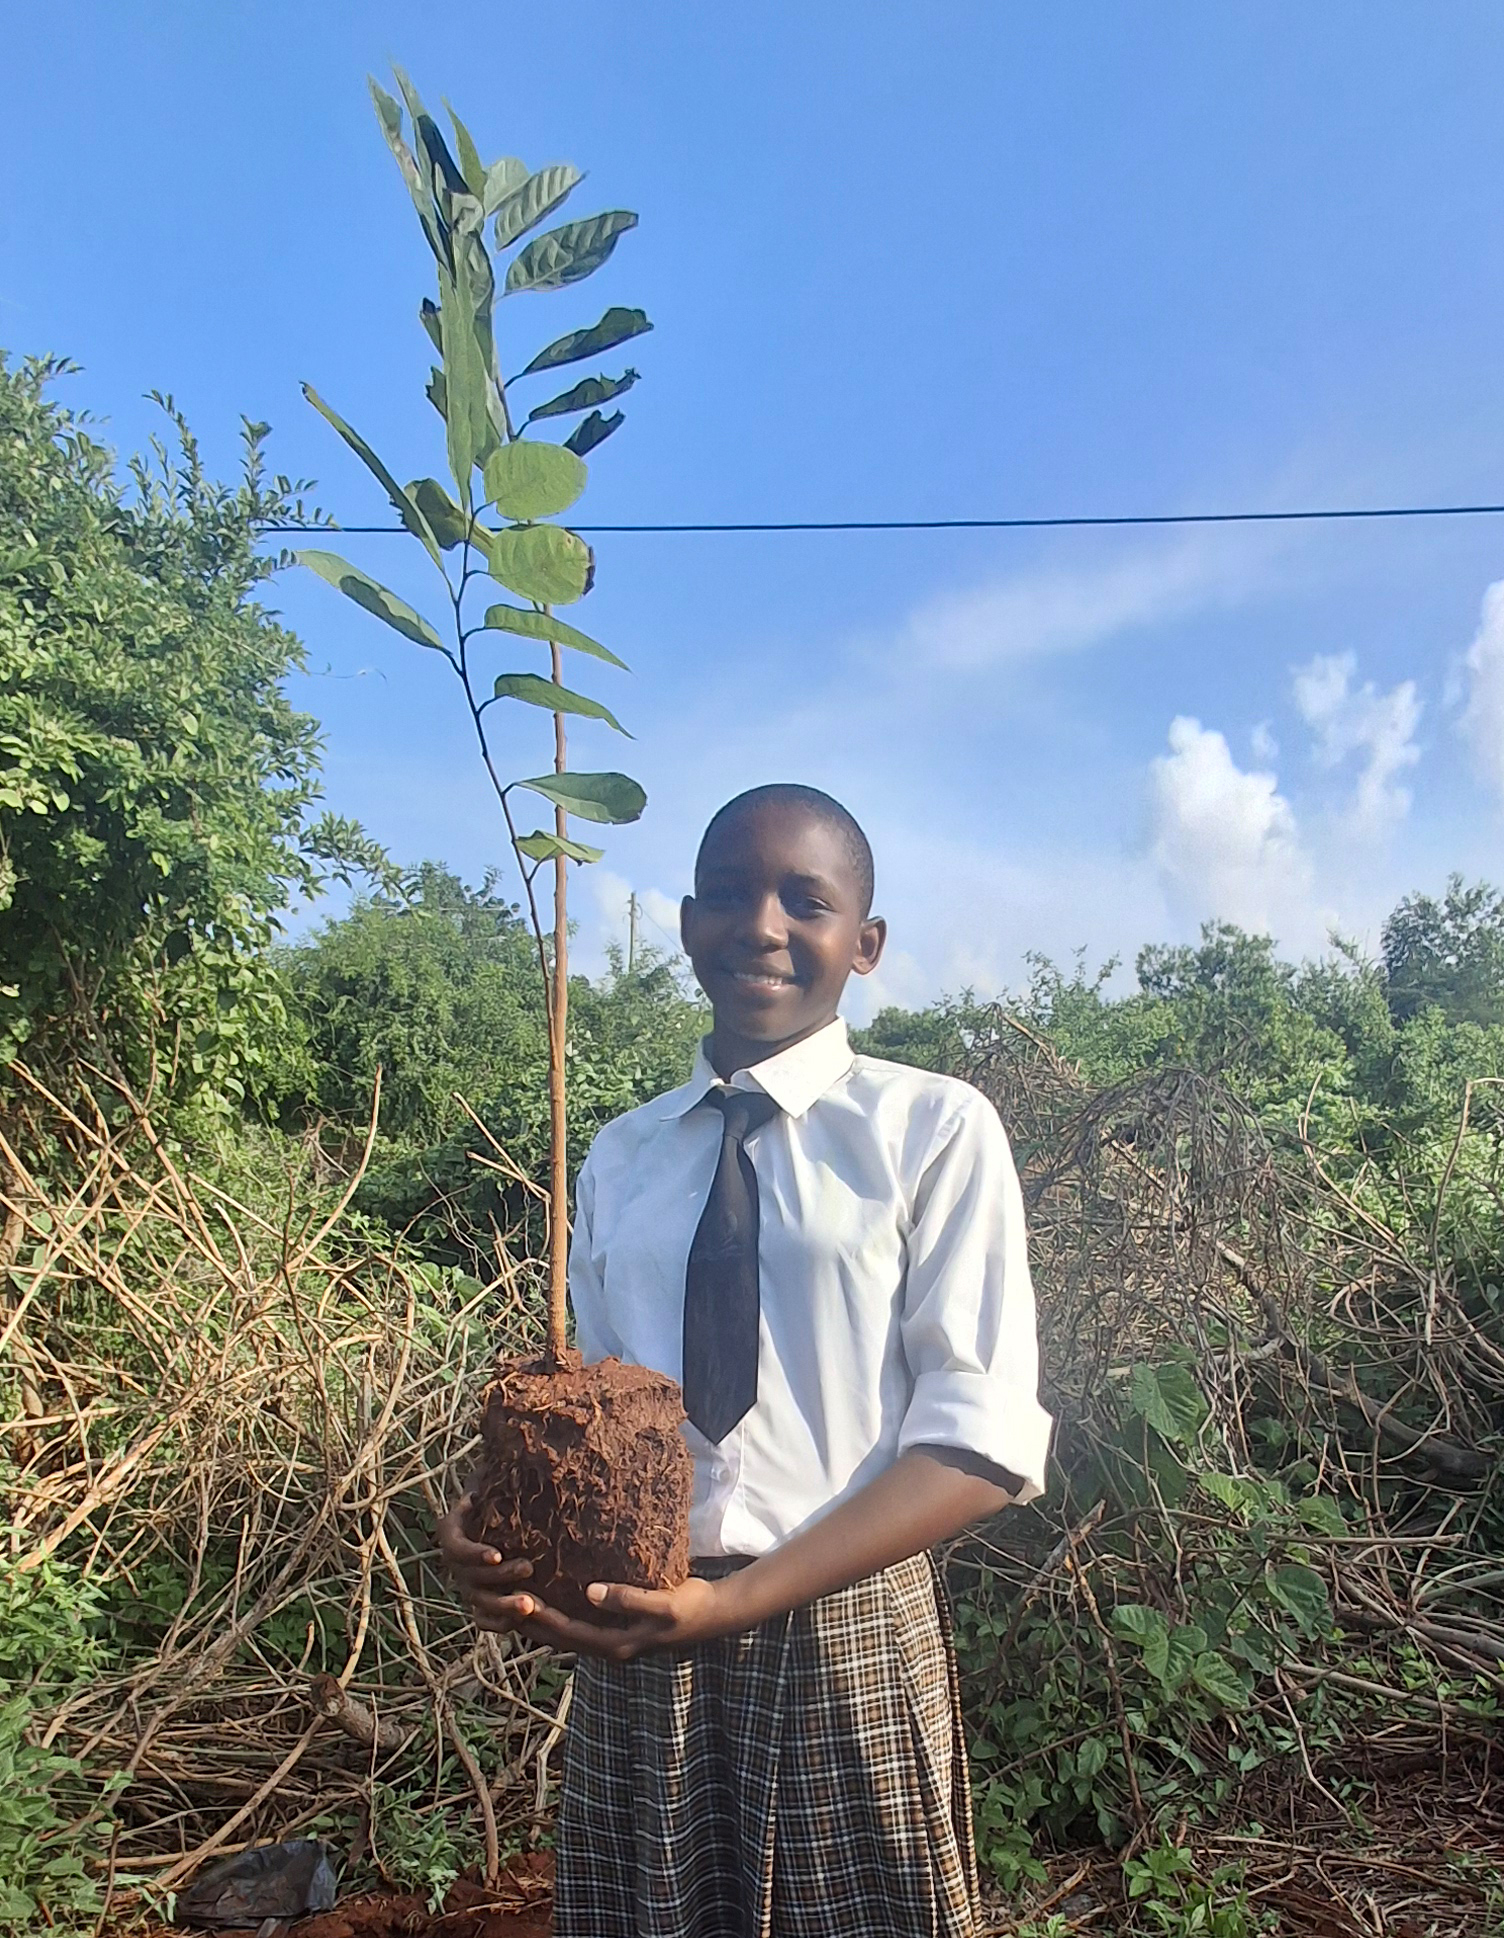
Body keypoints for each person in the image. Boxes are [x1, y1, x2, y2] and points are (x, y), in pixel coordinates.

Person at [436, 783, 1052, 1938]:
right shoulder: (624, 1155)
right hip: (636, 1630)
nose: (760, 925)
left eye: (804, 901)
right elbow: (600, 1421)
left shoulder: (935, 1129)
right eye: (727, 895)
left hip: (842, 1624)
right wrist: (488, 1528)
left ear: (862, 945)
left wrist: (744, 1603)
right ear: (683, 923)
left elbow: (975, 1442)